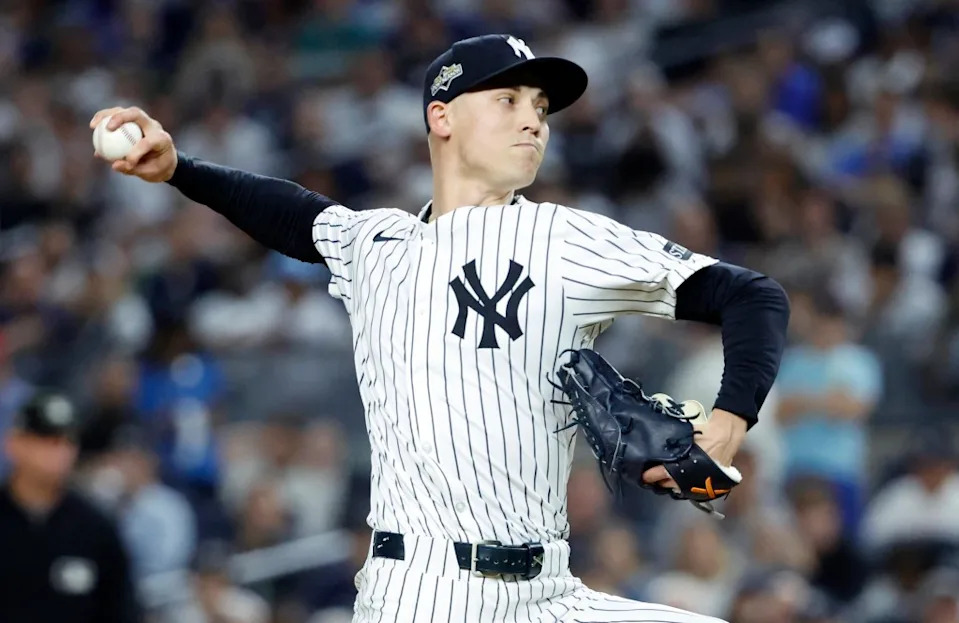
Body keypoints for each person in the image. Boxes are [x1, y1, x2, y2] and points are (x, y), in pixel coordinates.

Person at [91, 33, 789, 623]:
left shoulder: (563, 239)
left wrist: (728, 421)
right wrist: (182, 170)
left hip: (549, 593)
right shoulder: (377, 245)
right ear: (442, 117)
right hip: (420, 592)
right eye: (508, 100)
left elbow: (751, 295)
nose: (533, 121)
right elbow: (291, 213)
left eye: (541, 108)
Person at [0, 392, 141, 623]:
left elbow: (120, 610)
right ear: (14, 443)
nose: (59, 453)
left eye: (67, 441)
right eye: (46, 440)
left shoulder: (96, 530)